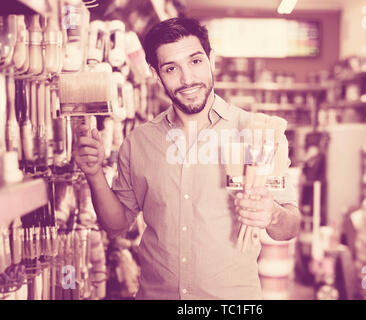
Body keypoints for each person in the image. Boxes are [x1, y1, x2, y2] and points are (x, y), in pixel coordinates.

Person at [74, 17, 301, 300]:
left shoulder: (257, 132)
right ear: (156, 75)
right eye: (171, 68)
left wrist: (274, 214)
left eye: (195, 62)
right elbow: (116, 225)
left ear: (211, 60)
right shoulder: (139, 142)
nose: (187, 79)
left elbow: (289, 226)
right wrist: (94, 174)